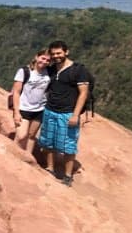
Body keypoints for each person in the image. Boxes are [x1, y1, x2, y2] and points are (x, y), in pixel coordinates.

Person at [39, 40, 91, 185]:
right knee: (48, 142)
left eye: (59, 53)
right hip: (50, 110)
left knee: (68, 146)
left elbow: (83, 93)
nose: (56, 56)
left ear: (66, 52)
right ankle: (50, 168)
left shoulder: (78, 70)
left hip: (67, 113)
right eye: (53, 54)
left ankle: (68, 176)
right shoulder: (53, 68)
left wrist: (75, 114)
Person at [11, 50, 51, 154]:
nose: (45, 61)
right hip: (24, 108)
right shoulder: (24, 71)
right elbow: (16, 92)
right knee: (21, 136)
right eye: (43, 58)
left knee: (31, 136)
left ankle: (28, 159)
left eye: (48, 60)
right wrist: (16, 112)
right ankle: (13, 157)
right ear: (37, 57)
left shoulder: (48, 72)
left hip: (40, 109)